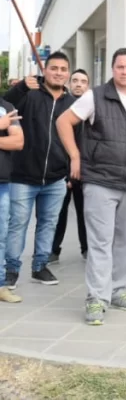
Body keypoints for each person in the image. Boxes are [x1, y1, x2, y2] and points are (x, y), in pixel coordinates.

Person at [56, 48, 126, 325]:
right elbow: (63, 121)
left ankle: (117, 290)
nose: (124, 72)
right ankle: (96, 299)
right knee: (100, 242)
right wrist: (75, 156)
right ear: (112, 69)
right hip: (100, 180)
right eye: (119, 67)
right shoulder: (96, 96)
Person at [3, 53, 75, 289]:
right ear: (45, 70)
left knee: (48, 223)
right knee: (18, 223)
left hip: (56, 177)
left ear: (68, 73)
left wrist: (70, 169)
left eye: (63, 69)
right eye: (54, 68)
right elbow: (4, 104)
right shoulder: (29, 94)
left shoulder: (72, 103)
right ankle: (11, 269)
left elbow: (78, 138)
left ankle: (40, 266)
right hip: (23, 175)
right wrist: (21, 88)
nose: (58, 72)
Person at [50, 69, 91, 264]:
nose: (78, 84)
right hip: (63, 171)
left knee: (86, 213)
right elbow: (58, 143)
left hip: (86, 172)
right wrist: (66, 173)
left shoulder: (92, 107)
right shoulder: (63, 108)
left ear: (88, 85)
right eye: (75, 80)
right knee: (59, 212)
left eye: (83, 81)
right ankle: (53, 250)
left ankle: (87, 249)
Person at [0, 100, 23, 303]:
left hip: (2, 183)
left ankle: (0, 286)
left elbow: (18, 142)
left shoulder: (7, 108)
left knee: (0, 237)